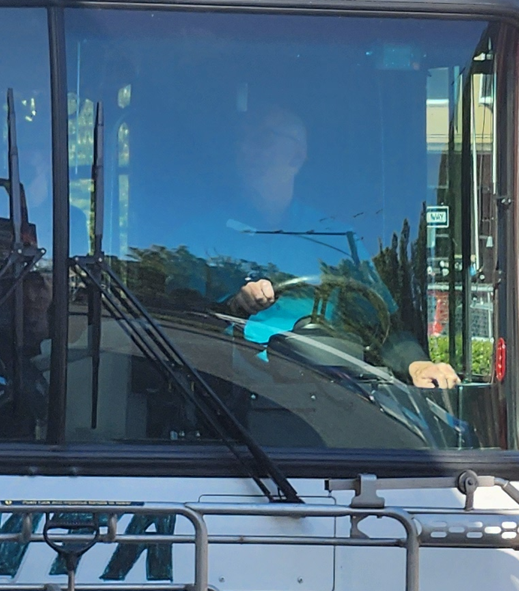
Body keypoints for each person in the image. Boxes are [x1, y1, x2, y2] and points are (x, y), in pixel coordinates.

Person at [184, 107, 460, 390]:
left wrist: (418, 365)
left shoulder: (335, 238)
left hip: (328, 397)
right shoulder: (200, 237)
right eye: (241, 139)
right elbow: (179, 323)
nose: (245, 147)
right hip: (224, 393)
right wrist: (234, 306)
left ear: (296, 156)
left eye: (262, 138)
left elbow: (381, 326)